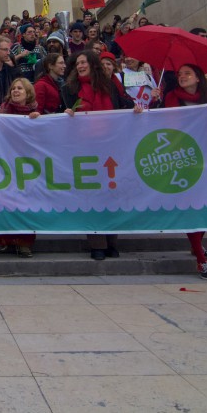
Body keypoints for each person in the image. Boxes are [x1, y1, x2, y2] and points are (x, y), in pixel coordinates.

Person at [62, 50, 141, 260]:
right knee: (92, 195)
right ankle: (97, 243)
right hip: (85, 148)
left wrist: (137, 108)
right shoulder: (70, 88)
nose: (80, 65)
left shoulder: (109, 84)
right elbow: (64, 111)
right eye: (77, 63)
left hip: (110, 147)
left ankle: (112, 242)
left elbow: (124, 104)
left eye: (84, 62)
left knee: (111, 195)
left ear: (93, 64)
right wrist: (68, 113)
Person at [163, 64, 207, 280]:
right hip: (182, 157)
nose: (182, 77)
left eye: (187, 73)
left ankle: (196, 244)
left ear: (198, 77)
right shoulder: (171, 96)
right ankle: (201, 259)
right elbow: (169, 123)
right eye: (179, 74)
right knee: (191, 206)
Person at [0, 78, 41, 257]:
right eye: (13, 88)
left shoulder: (36, 113)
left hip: (26, 164)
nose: (16, 91)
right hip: (5, 161)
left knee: (25, 201)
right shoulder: (3, 111)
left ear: (28, 93)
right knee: (1, 198)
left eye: (20, 88)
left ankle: (24, 242)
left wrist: (36, 122)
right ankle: (1, 240)